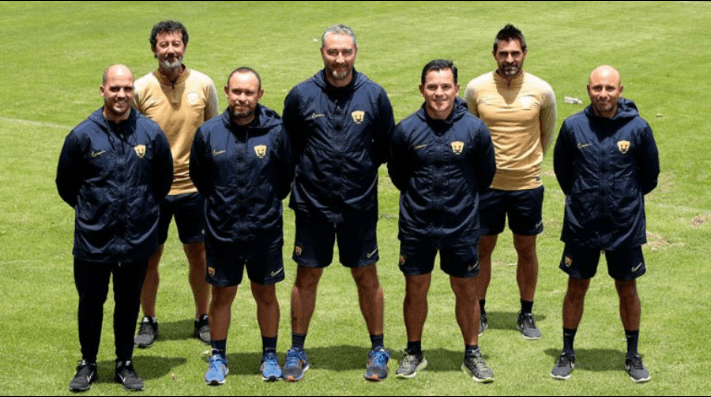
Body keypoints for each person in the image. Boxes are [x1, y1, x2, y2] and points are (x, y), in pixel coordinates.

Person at [281, 24, 395, 382]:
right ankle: (297, 350)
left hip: (358, 205)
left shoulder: (374, 95)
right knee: (307, 275)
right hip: (312, 205)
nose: (339, 60)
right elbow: (290, 147)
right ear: (322, 53)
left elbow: (384, 148)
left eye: (346, 52)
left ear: (356, 52)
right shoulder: (301, 95)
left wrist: (358, 172)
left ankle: (377, 348)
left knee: (366, 275)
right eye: (333, 52)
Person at [57, 65, 173, 392]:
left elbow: (161, 182)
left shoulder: (150, 133)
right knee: (91, 302)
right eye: (115, 89)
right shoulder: (82, 135)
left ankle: (124, 363)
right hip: (94, 240)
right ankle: (88, 363)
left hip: (136, 239)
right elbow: (66, 185)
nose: (121, 95)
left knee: (127, 303)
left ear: (133, 91)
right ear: (102, 90)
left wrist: (139, 211)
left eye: (127, 88)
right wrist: (94, 211)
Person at [388, 60, 497, 382]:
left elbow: (485, 176)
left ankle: (472, 353)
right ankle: (413, 351)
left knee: (466, 290)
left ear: (456, 89)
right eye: (432, 87)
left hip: (460, 227)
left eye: (445, 86)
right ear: (422, 89)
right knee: (415, 288)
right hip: (417, 226)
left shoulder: (475, 129)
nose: (439, 93)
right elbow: (398, 176)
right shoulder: (406, 130)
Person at [550, 65, 659, 383]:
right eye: (597, 88)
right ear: (588, 89)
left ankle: (632, 355)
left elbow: (649, 177)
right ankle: (568, 352)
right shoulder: (573, 126)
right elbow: (563, 171)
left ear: (620, 90)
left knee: (627, 288)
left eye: (609, 88)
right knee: (575, 287)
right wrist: (584, 199)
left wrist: (622, 201)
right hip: (582, 225)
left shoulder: (638, 128)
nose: (603, 94)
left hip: (624, 225)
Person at [190, 67, 295, 385]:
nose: (242, 98)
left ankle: (269, 356)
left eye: (249, 92)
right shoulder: (208, 132)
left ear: (259, 94)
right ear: (226, 91)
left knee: (266, 294)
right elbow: (201, 178)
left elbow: (285, 179)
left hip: (264, 232)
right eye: (237, 91)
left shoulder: (277, 130)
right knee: (221, 296)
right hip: (222, 232)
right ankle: (218, 357)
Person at [463, 24, 557, 339]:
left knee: (526, 249)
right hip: (487, 187)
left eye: (515, 53)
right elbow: (471, 133)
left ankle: (527, 314)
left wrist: (526, 164)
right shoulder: (476, 89)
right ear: (494, 54)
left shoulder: (542, 90)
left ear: (524, 53)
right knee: (483, 248)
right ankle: (479, 310)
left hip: (527, 186)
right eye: (503, 53)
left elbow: (547, 134)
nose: (509, 59)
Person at [132, 20, 220, 348]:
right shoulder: (140, 88)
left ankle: (203, 317)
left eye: (176, 44)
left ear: (184, 46)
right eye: (163, 44)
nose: (170, 50)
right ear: (154, 48)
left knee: (198, 255)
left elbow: (214, 133)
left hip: (194, 189)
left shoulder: (204, 84)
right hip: (153, 192)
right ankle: (149, 319)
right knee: (149, 256)